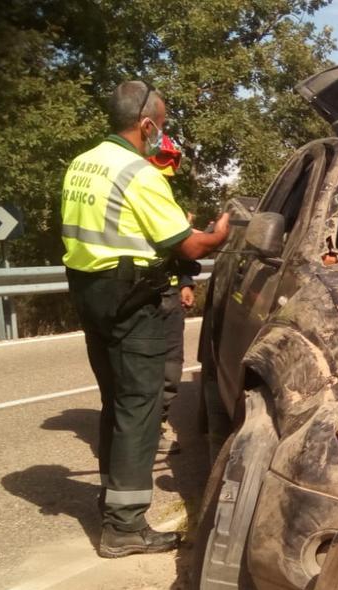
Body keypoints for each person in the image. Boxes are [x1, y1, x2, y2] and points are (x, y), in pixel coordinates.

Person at [61, 80, 229, 558]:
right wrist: (220, 232)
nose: (163, 137)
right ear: (147, 124)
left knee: (116, 402)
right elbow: (190, 245)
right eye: (163, 127)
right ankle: (125, 529)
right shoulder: (138, 174)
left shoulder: (83, 163)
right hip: (135, 300)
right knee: (140, 409)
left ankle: (113, 506)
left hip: (94, 295)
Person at [148, 134, 197, 454]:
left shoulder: (167, 199)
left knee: (169, 366)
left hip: (167, 294)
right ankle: (141, 434)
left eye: (172, 158)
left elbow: (180, 250)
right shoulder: (136, 193)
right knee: (141, 368)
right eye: (162, 157)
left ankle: (153, 427)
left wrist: (185, 282)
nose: (168, 165)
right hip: (140, 295)